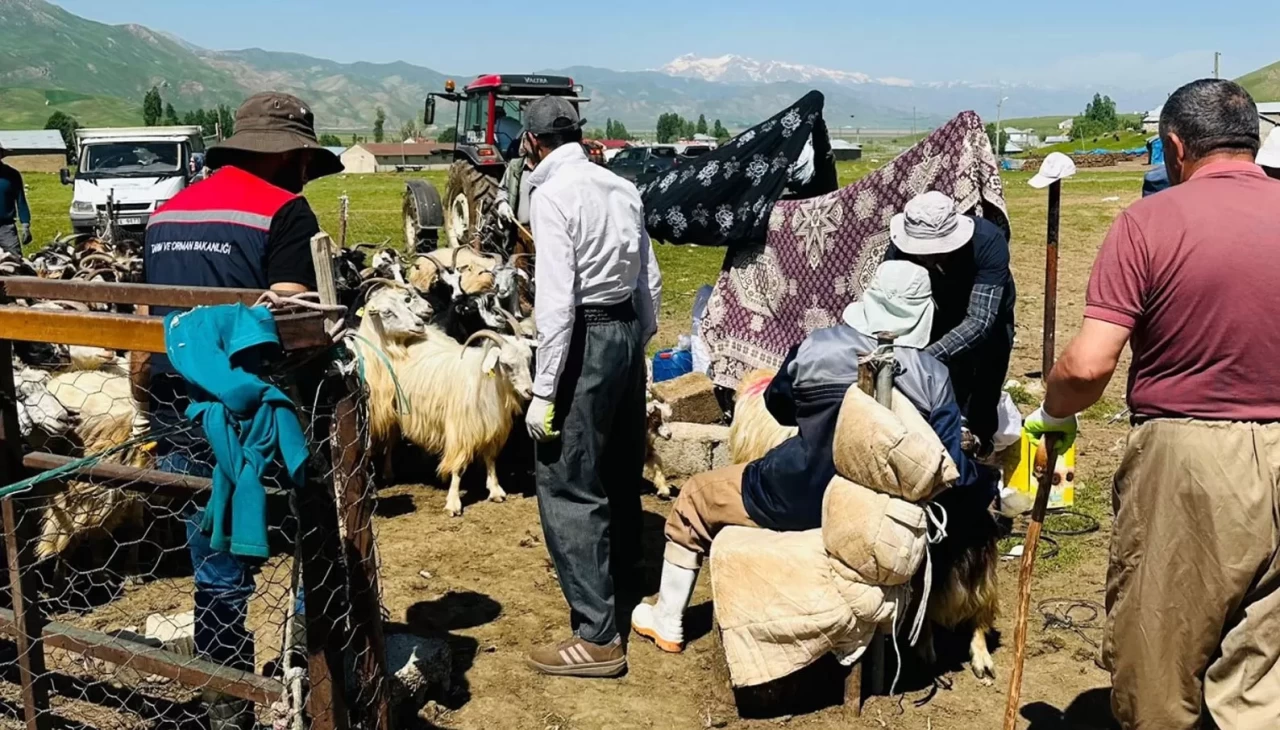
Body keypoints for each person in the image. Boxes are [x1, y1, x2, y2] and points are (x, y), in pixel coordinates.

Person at [1026, 79, 1280, 729]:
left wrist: (1053, 411)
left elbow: (1088, 365)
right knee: (1263, 670)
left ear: (1173, 147)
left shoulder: (1148, 222)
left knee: (1161, 657)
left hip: (1191, 458)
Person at [631, 260, 985, 653]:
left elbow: (778, 407)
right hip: (877, 517)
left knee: (696, 496)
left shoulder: (816, 347)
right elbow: (953, 466)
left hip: (795, 494)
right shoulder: (934, 376)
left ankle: (667, 620)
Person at [138, 91, 343, 730]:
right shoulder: (286, 212)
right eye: (305, 160)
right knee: (314, 537)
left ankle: (225, 694)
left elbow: (155, 318)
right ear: (287, 157)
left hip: (178, 403)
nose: (307, 172)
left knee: (213, 554)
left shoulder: (165, 213)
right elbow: (291, 323)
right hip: (255, 414)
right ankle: (312, 667)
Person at [521, 95, 663, 678]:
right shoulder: (621, 188)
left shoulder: (550, 195)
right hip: (625, 331)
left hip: (583, 338)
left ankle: (598, 635)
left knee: (568, 479)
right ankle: (625, 582)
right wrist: (638, 347)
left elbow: (555, 302)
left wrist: (544, 391)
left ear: (532, 143)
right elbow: (648, 279)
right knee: (619, 464)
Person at [886, 191, 1015, 457]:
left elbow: (980, 321)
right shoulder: (900, 249)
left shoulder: (988, 242)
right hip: (936, 308)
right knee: (940, 386)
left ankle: (979, 448)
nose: (927, 259)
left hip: (988, 313)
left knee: (986, 380)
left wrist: (924, 357)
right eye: (921, 253)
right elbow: (890, 302)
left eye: (935, 252)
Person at [0, 143, 33, 258]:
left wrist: (25, 225)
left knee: (16, 260)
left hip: (6, 228)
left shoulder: (12, 175)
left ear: (1, 154)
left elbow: (21, 201)